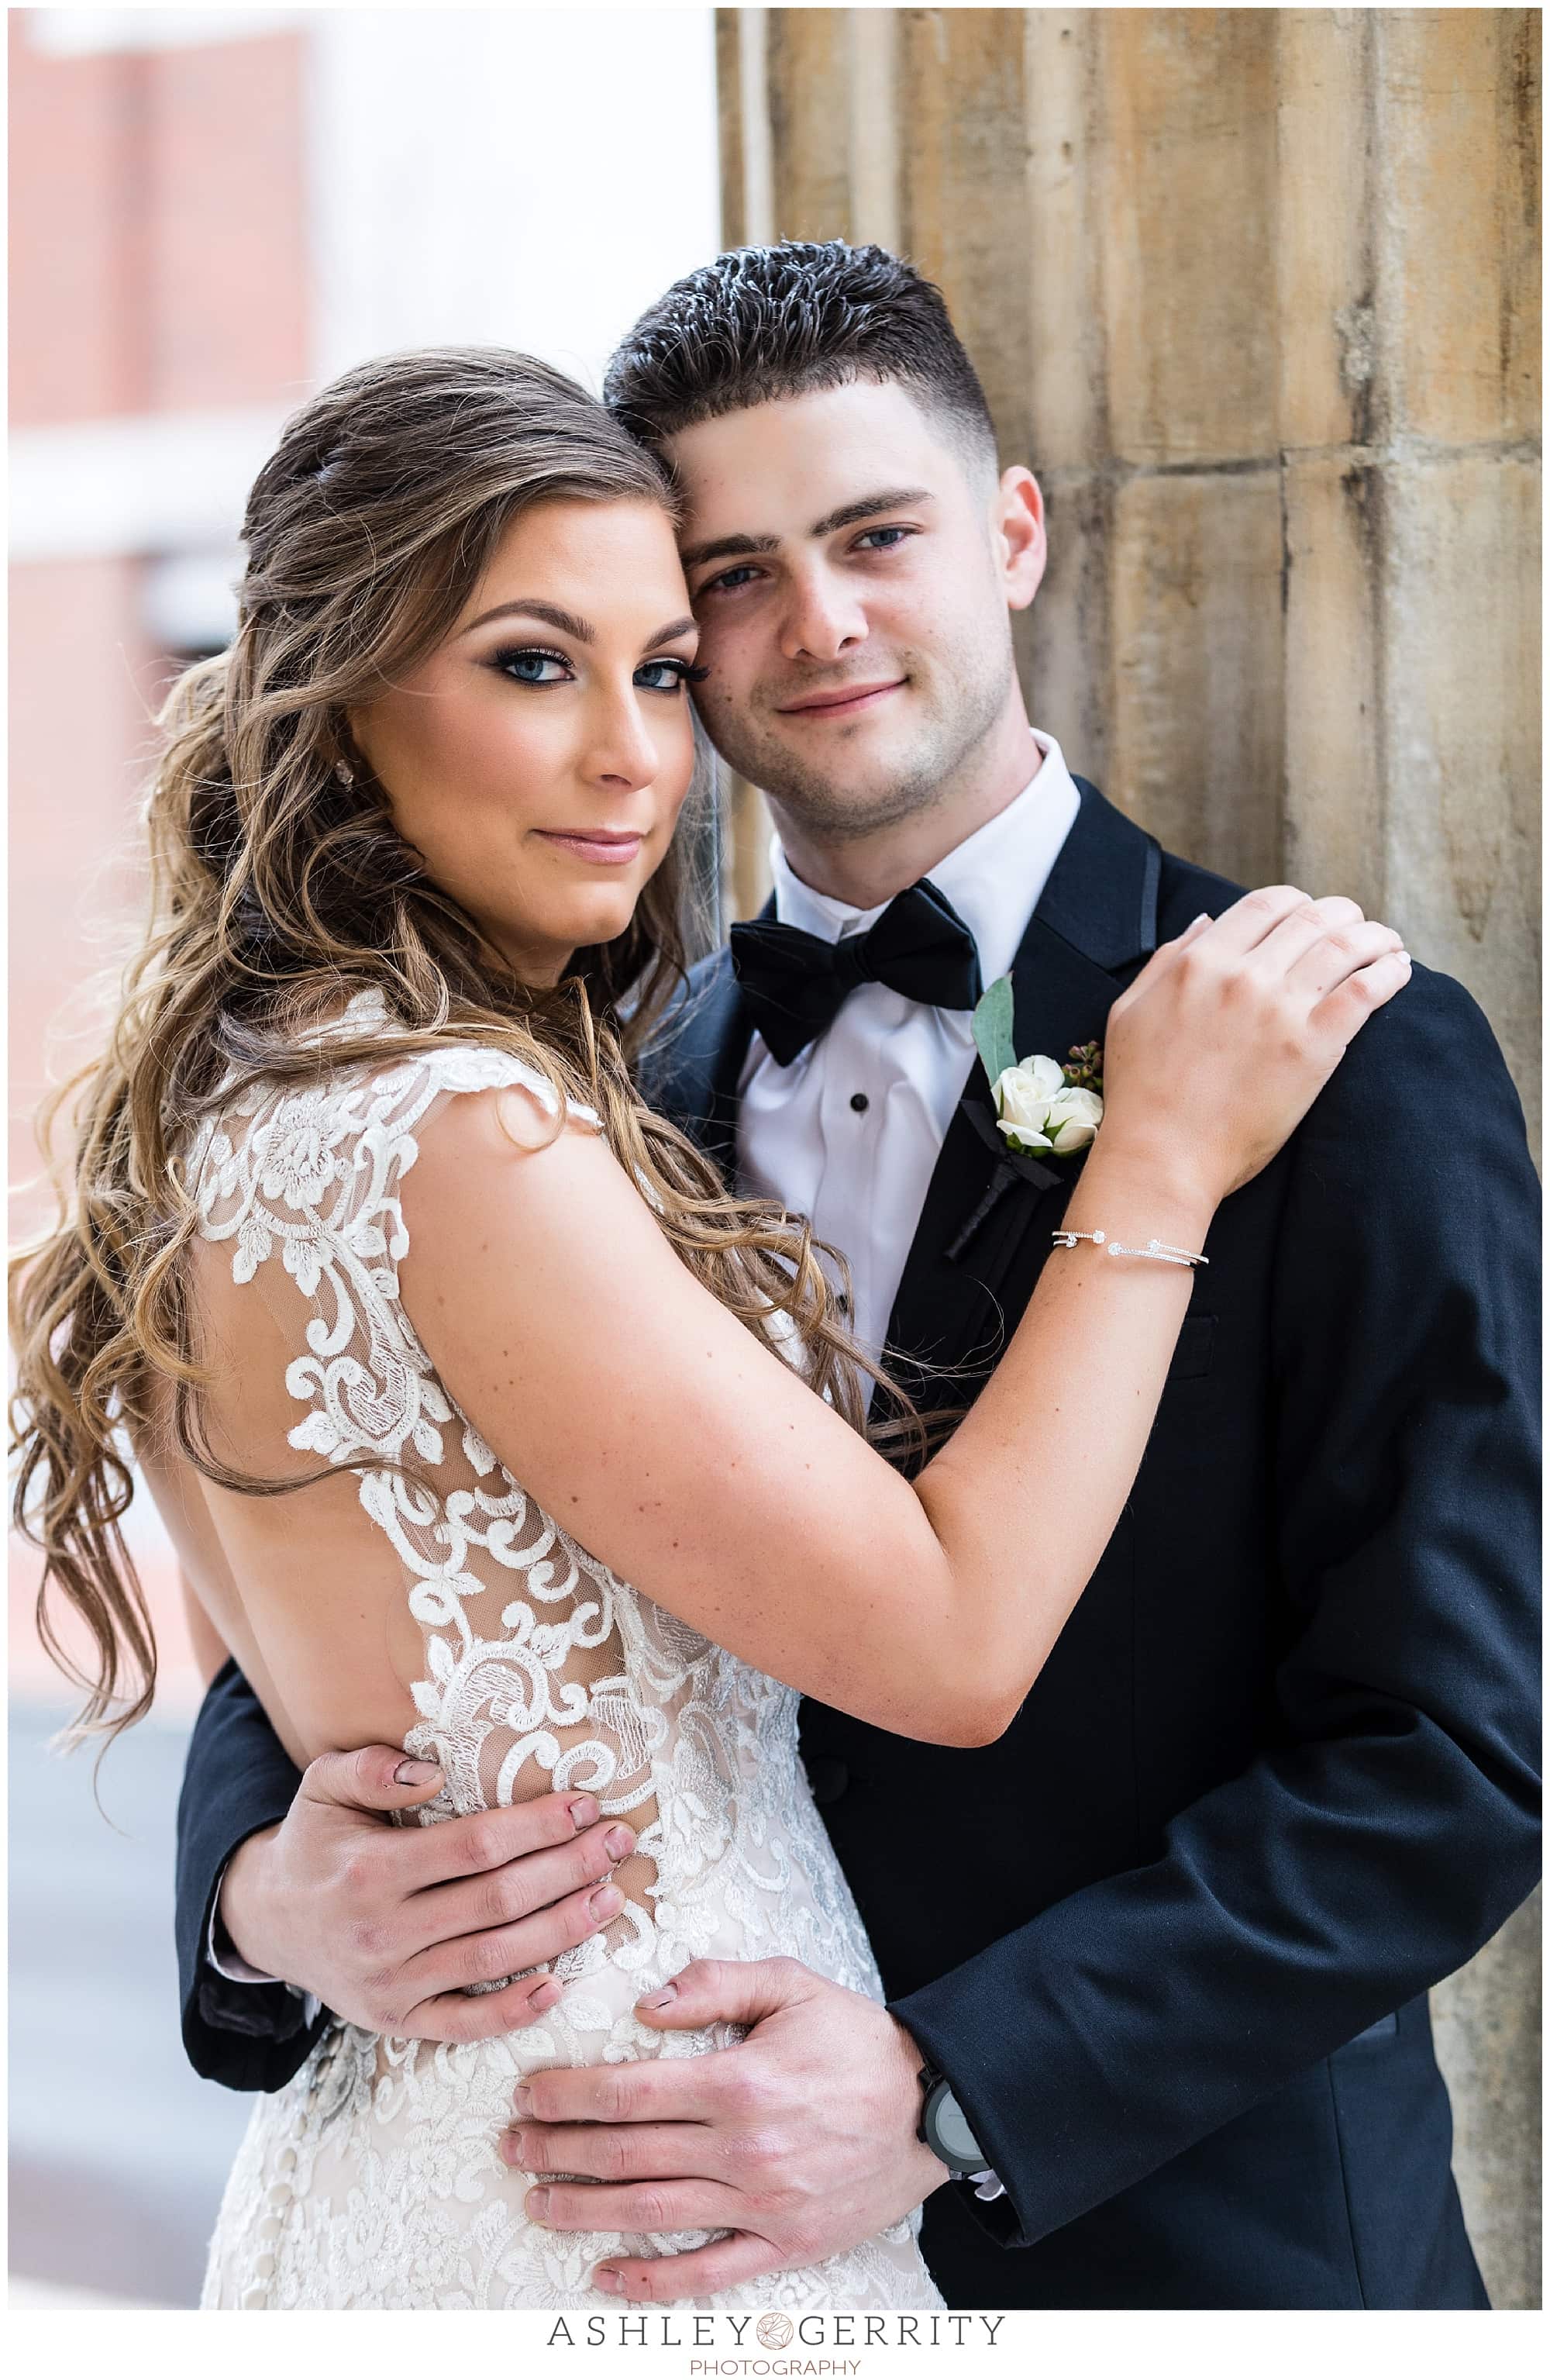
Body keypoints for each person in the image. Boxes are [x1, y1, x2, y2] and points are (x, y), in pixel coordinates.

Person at [73, 241, 1539, 2308]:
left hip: (1193, 2257)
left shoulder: (1330, 1057)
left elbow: (1456, 1759)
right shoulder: (572, 1095)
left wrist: (954, 2091)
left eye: (877, 535)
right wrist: (258, 1894)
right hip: (616, 2227)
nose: (820, 622)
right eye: (733, 582)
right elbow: (375, 1555)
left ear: (1010, 533)